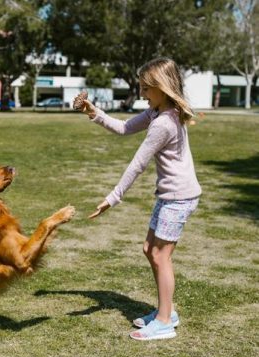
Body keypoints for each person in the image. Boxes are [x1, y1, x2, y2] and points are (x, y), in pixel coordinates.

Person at [74, 57, 201, 341]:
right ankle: (166, 311)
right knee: (149, 249)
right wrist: (93, 111)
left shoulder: (163, 123)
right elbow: (123, 128)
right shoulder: (158, 112)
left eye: (146, 89)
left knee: (160, 255)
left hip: (179, 198)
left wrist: (112, 198)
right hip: (170, 196)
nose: (142, 94)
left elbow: (137, 164)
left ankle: (165, 322)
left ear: (162, 88)